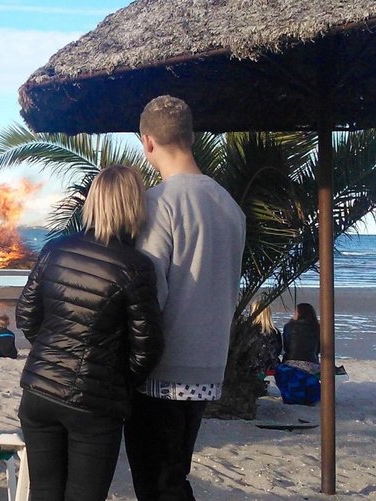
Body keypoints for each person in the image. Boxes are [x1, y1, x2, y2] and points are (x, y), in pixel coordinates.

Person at [15, 165, 164, 501]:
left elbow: (26, 315)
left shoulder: (55, 249)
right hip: (95, 402)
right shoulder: (135, 266)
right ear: (134, 205)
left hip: (40, 391)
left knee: (43, 491)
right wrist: (117, 379)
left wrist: (52, 353)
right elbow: (147, 347)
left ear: (93, 201)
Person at [125, 95, 246, 501]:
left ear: (147, 142)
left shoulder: (158, 203)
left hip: (161, 368)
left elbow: (148, 294)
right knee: (175, 474)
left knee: (156, 483)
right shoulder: (229, 206)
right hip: (209, 364)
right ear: (191, 137)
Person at [252, 299, 282, 376]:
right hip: (271, 371)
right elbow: (278, 351)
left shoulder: (248, 331)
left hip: (252, 371)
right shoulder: (275, 332)